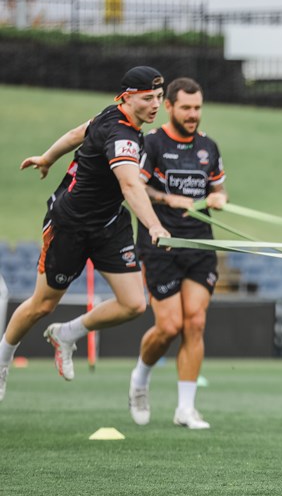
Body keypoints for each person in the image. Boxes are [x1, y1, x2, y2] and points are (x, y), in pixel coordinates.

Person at [0, 66, 170, 401]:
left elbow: (80, 131)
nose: (155, 105)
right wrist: (153, 224)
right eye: (148, 98)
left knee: (134, 304)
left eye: (159, 97)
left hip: (108, 224)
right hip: (70, 226)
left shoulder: (115, 116)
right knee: (41, 305)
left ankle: (67, 334)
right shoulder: (121, 134)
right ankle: (2, 361)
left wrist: (47, 157)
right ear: (126, 98)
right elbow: (130, 184)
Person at [126, 77, 228, 429]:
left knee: (195, 323)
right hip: (161, 246)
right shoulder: (152, 143)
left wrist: (219, 199)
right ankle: (140, 379)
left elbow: (219, 188)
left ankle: (186, 409)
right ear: (168, 106)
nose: (192, 114)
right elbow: (135, 187)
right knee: (168, 327)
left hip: (200, 245)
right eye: (185, 107)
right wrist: (169, 198)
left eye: (197, 108)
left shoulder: (208, 147)